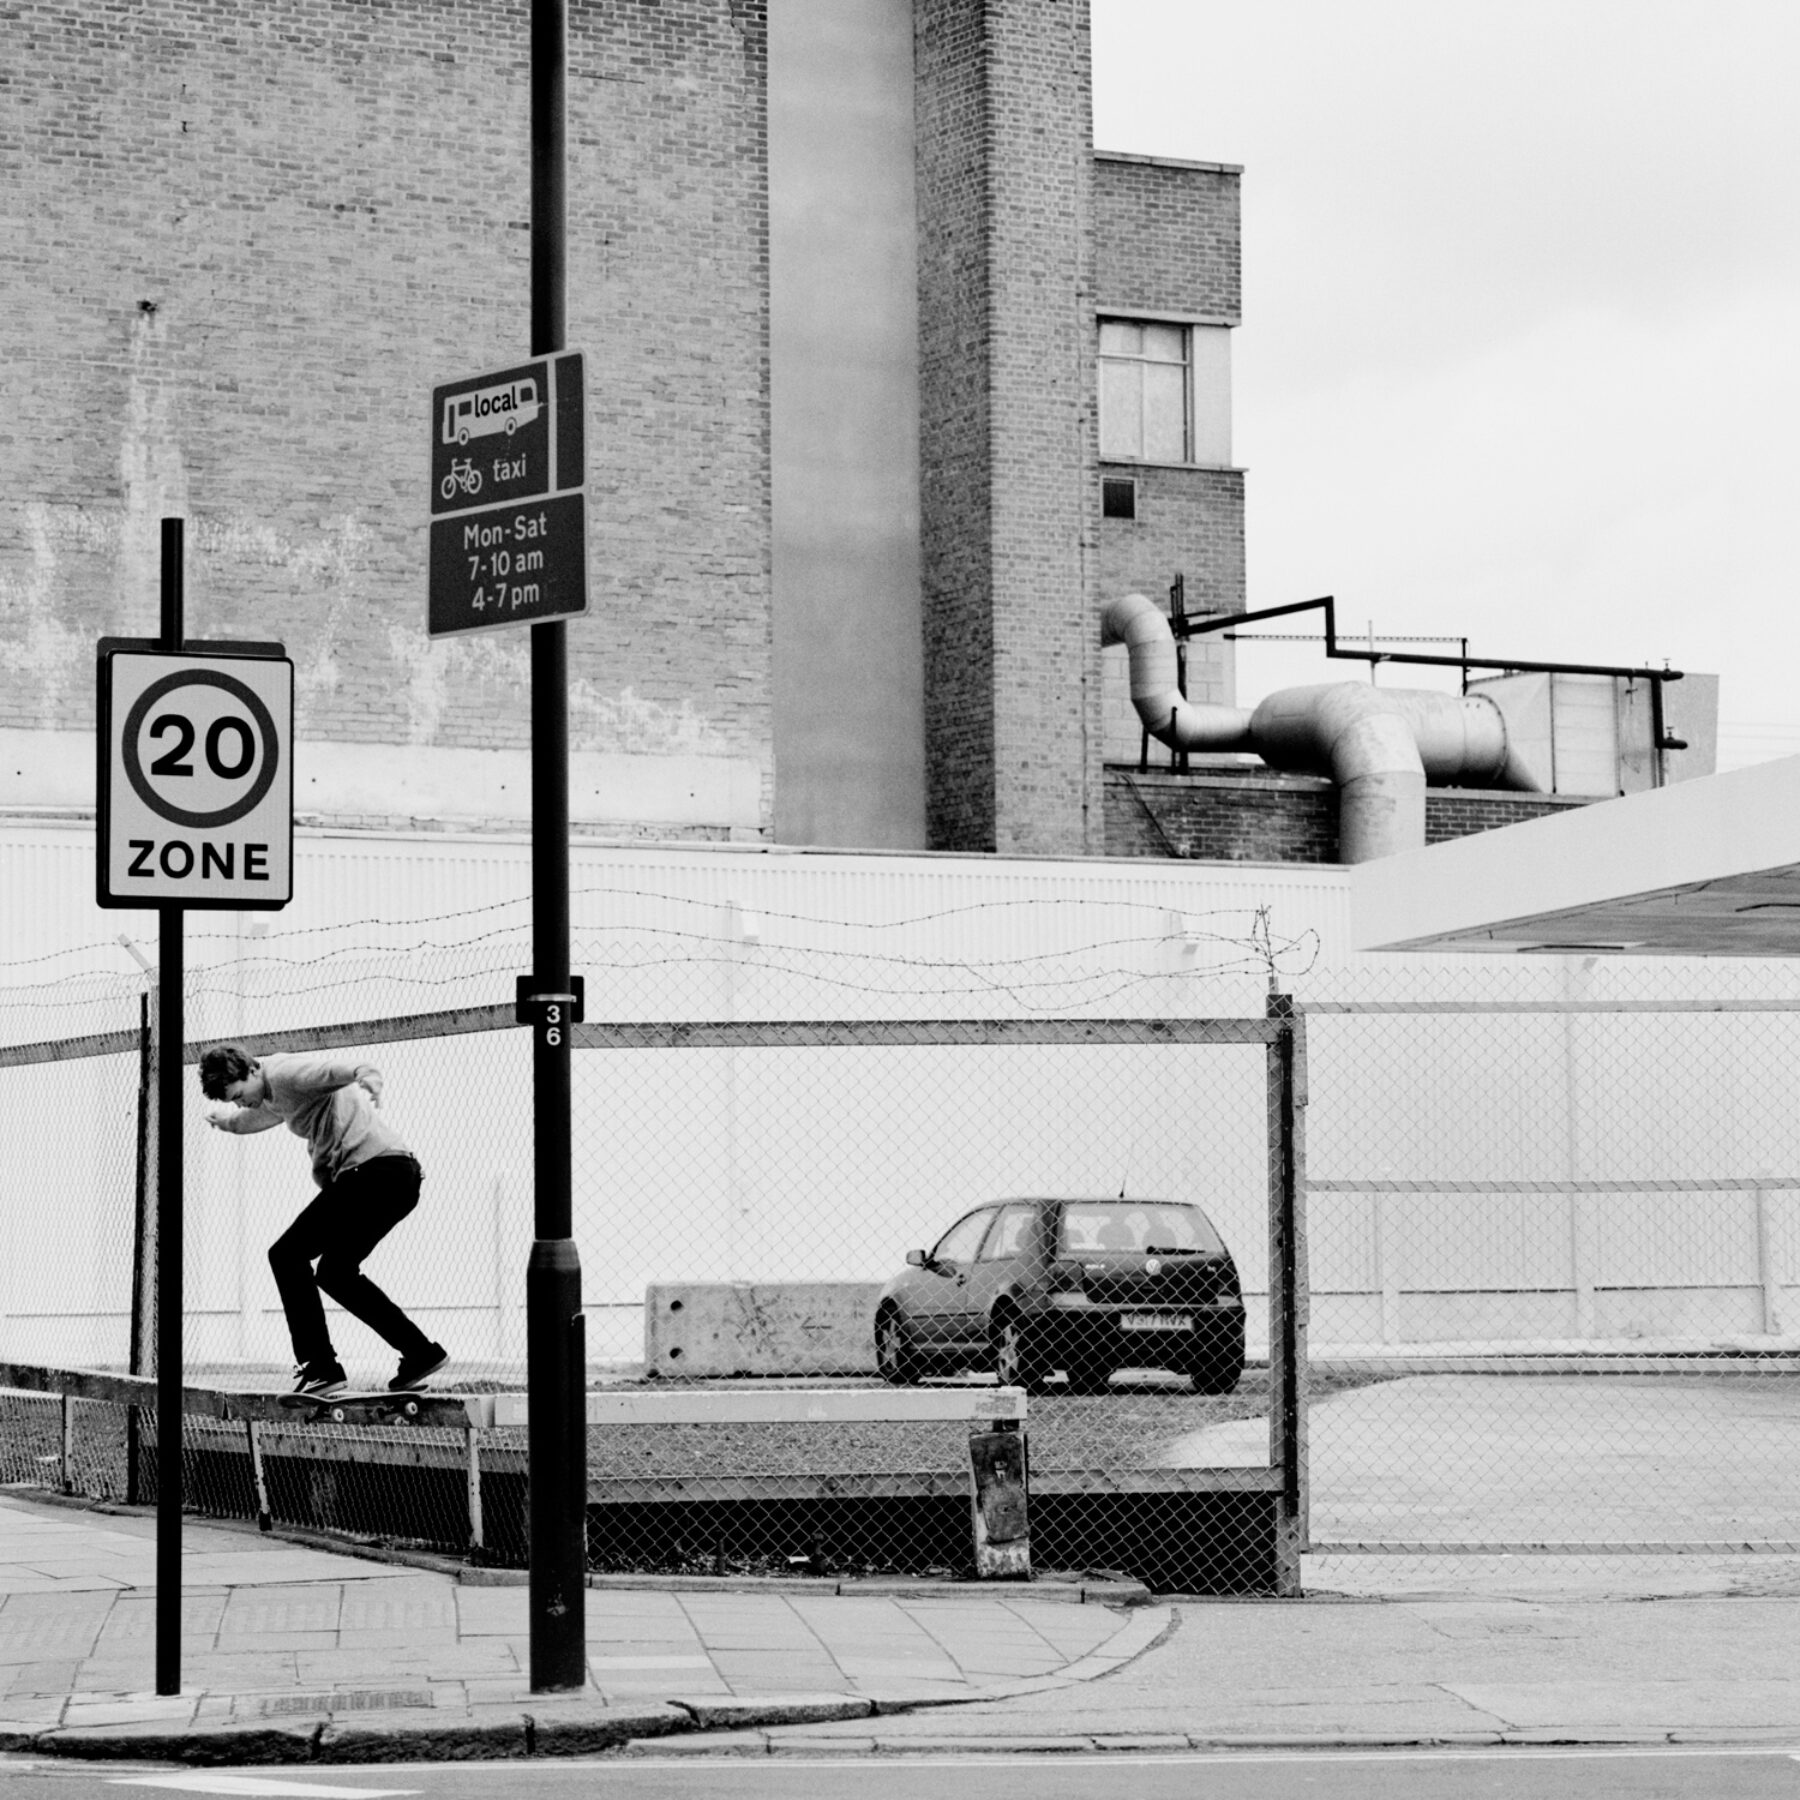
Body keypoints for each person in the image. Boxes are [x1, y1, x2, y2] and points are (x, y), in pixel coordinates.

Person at [198, 1043, 447, 1399]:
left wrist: (367, 1075)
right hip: (397, 1178)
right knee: (337, 1274)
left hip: (373, 1174)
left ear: (252, 1070)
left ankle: (320, 1367)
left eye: (238, 1095)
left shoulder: (284, 1074)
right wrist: (226, 1123)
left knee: (286, 1255)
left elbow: (334, 1071)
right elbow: (255, 1117)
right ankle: (420, 1352)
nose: (241, 1103)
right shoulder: (268, 1096)